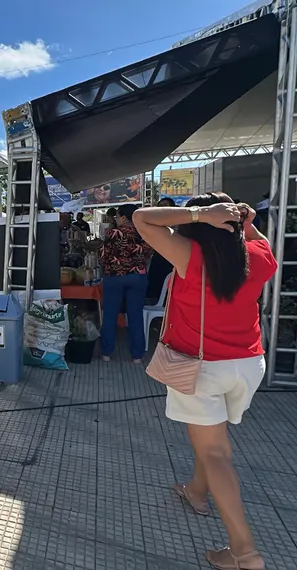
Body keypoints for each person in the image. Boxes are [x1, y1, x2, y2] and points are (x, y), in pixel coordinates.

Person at [133, 195, 276, 570]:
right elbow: (260, 241)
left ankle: (244, 552)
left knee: (215, 451)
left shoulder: (189, 256)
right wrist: (243, 220)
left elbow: (142, 217)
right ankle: (196, 490)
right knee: (210, 438)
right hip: (248, 364)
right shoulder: (258, 256)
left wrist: (200, 214)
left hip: (202, 369)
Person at [99, 204, 152, 363]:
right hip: (137, 277)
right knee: (136, 316)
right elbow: (149, 253)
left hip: (114, 277)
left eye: (116, 216)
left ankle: (106, 354)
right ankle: (137, 356)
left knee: (110, 315)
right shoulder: (145, 232)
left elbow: (103, 257)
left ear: (123, 217)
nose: (115, 219)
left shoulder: (113, 233)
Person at [147, 197, 177, 301]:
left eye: (166, 205)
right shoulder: (155, 222)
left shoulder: (178, 222)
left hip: (173, 258)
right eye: (160, 206)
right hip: (158, 256)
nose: (163, 208)